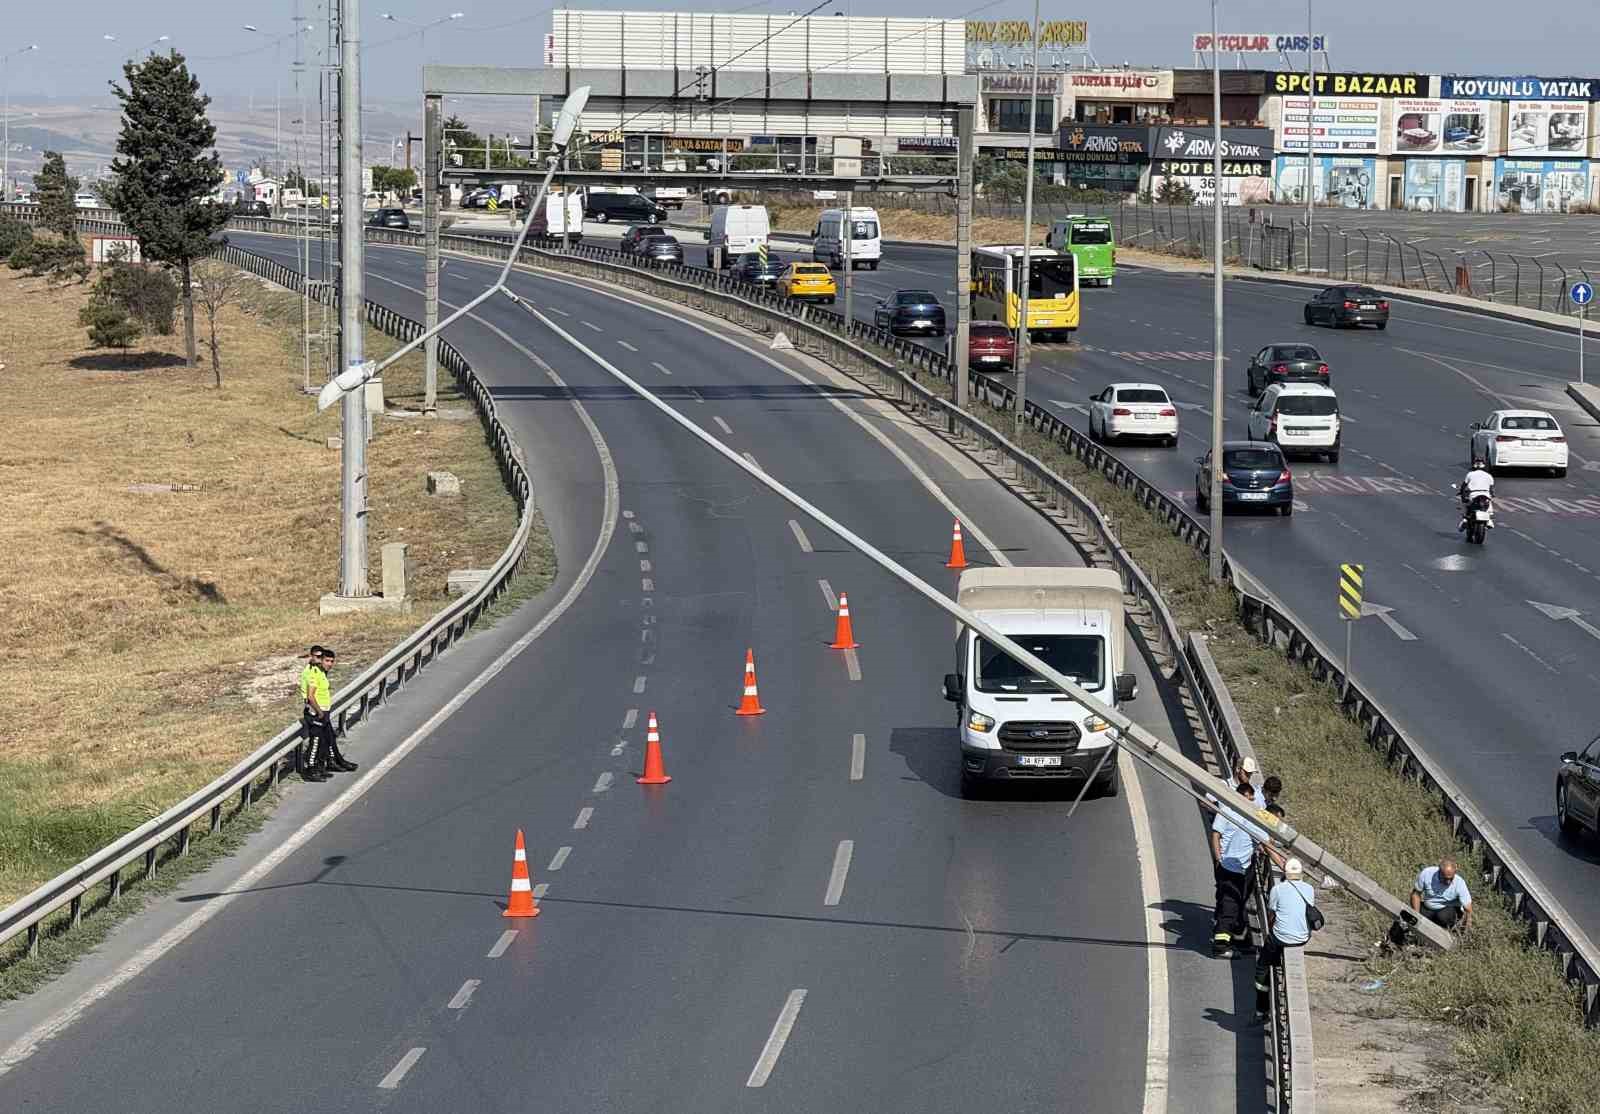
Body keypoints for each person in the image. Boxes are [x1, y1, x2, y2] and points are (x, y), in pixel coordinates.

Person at [1211, 782, 1285, 957]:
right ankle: (1220, 947)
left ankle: (1234, 940)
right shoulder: (1248, 820)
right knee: (1229, 909)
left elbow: (1266, 845)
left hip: (1233, 868)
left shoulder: (1248, 818)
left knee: (1231, 906)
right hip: (1232, 870)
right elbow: (1269, 848)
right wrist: (1285, 866)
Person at [1253, 858, 1317, 1023]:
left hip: (1281, 937)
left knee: (1262, 967)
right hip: (1302, 937)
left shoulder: (1278, 889)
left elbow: (1272, 912)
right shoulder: (1309, 889)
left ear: (1284, 874)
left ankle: (1261, 1009)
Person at [297, 647, 330, 782]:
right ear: (311, 656)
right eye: (316, 656)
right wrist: (319, 712)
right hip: (315, 711)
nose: (318, 659)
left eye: (320, 656)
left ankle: (317, 768)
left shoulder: (319, 671)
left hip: (321, 709)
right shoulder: (311, 672)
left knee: (322, 741)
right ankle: (310, 771)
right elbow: (310, 696)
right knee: (315, 742)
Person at [1412, 857, 1472, 930]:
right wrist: (1416, 916)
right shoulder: (1427, 874)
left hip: (1447, 909)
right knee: (1410, 916)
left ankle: (1441, 930)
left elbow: (1468, 908)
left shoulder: (1459, 883)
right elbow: (1416, 894)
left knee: (1442, 916)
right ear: (1439, 872)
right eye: (1445, 879)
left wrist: (1466, 924)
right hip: (1429, 907)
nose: (1448, 882)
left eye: (1451, 878)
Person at [1459, 458, 1494, 532]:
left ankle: (1465, 519)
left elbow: (1463, 486)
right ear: (1484, 465)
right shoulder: (1489, 476)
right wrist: (1492, 495)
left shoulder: (1470, 474)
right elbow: (1491, 489)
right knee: (1489, 503)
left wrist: (1462, 495)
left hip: (1473, 494)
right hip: (1485, 494)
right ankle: (1489, 520)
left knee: (1465, 504)